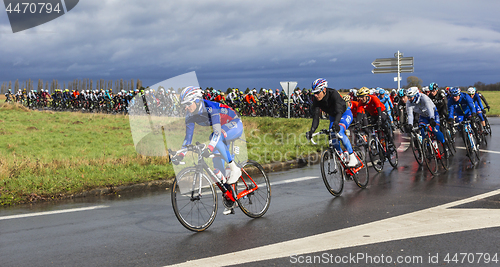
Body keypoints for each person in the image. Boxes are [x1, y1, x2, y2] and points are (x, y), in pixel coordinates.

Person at [172, 86, 243, 214]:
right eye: (184, 105)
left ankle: (235, 169)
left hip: (234, 123)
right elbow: (187, 139)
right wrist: (180, 154)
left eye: (188, 104)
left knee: (215, 137)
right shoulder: (190, 116)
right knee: (217, 170)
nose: (186, 108)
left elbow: (216, 133)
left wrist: (209, 148)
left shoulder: (210, 108)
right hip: (222, 129)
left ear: (197, 100)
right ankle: (231, 199)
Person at [305, 78, 359, 167]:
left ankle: (352, 157)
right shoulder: (316, 100)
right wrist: (312, 131)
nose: (316, 95)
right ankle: (342, 156)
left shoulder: (333, 94)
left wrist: (337, 124)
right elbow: (316, 118)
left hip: (344, 113)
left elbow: (339, 111)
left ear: (324, 90)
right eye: (314, 93)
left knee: (339, 131)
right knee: (332, 135)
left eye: (318, 92)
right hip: (333, 116)